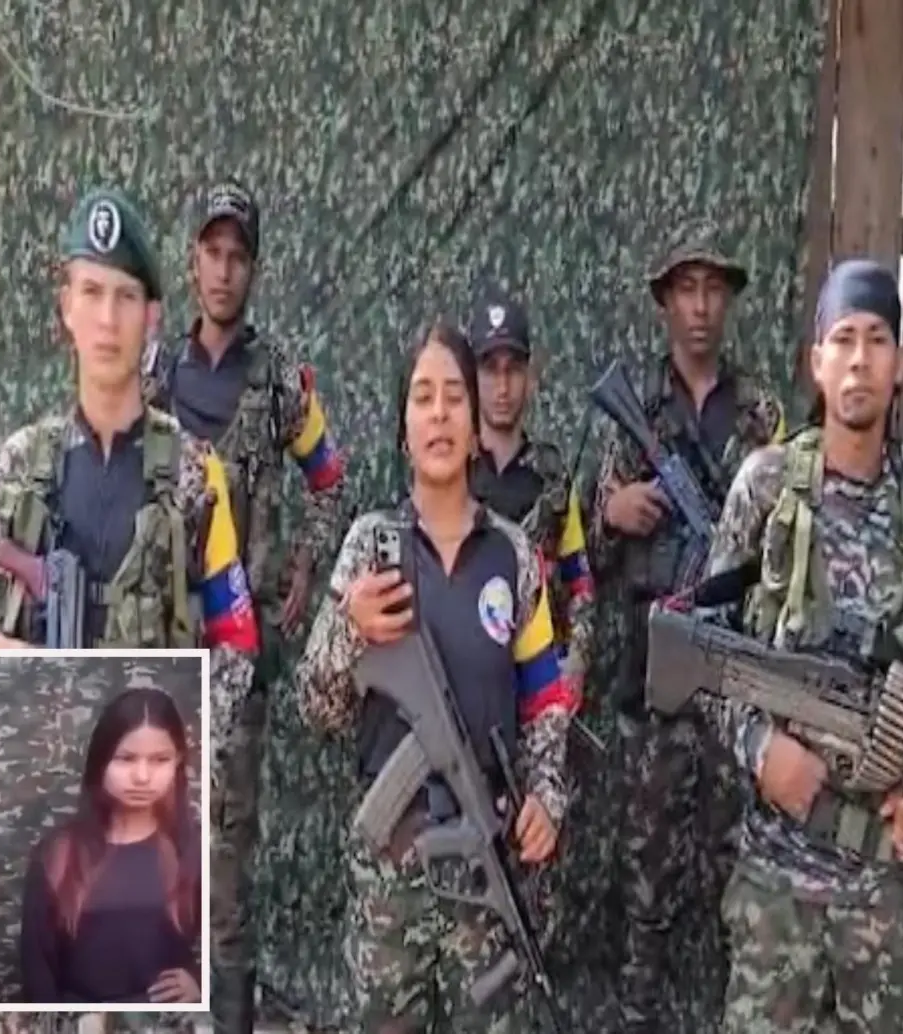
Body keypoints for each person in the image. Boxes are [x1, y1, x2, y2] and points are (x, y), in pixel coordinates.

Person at [0, 187, 258, 1034]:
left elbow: (236, 643)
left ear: (153, 315)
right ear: (64, 308)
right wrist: (8, 659)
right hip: (34, 835)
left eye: (125, 296)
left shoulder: (197, 477)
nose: (107, 316)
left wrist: (173, 734)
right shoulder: (20, 467)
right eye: (90, 293)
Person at [706, 258, 903, 1033]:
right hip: (774, 898)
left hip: (882, 904)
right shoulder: (765, 490)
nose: (860, 357)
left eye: (877, 339)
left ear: (900, 364)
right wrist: (764, 750)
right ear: (817, 362)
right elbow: (700, 659)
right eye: (844, 338)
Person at [296, 321, 576, 1032]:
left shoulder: (513, 558)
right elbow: (317, 709)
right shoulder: (371, 546)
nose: (442, 413)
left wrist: (548, 796)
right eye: (423, 397)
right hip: (390, 878)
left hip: (485, 865)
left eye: (456, 396)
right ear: (403, 427)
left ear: (479, 426)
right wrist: (345, 630)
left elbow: (546, 699)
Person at [142, 181, 344, 1033]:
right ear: (192, 262)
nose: (224, 271)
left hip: (239, 656)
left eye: (239, 256)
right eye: (211, 253)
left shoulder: (281, 382)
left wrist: (304, 561)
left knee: (225, 860)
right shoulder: (154, 371)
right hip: (156, 640)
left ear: (254, 269)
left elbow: (331, 482)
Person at [591, 218, 784, 1033]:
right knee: (646, 888)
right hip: (654, 685)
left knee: (735, 883)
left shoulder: (761, 416)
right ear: (665, 302)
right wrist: (614, 512)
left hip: (736, 688)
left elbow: (789, 544)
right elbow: (582, 545)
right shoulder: (634, 409)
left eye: (713, 289)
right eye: (686, 290)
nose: (700, 307)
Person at [466, 290, 597, 975]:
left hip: (537, 718)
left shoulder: (554, 478)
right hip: (470, 713)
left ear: (533, 374)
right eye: (489, 367)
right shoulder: (446, 469)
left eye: (514, 367)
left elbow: (581, 589)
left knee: (532, 891)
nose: (503, 384)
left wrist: (567, 685)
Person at [21, 688, 201, 1005]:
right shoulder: (58, 855)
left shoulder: (192, 850)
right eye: (126, 758)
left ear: (178, 762)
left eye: (160, 760)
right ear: (101, 761)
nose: (142, 776)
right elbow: (37, 973)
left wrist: (199, 986)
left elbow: (229, 949)